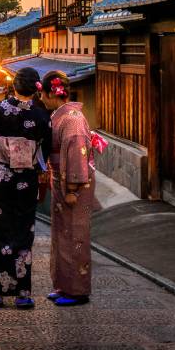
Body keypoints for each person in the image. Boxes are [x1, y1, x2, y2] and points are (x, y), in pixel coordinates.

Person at [0, 67, 52, 309]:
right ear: (36, 88)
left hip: (0, 179)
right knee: (23, 230)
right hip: (26, 180)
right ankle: (23, 293)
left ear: (14, 85)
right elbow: (46, 147)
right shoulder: (42, 114)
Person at [40, 70, 104, 307]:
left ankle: (77, 290)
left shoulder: (72, 119)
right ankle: (64, 284)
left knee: (75, 235)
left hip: (74, 185)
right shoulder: (61, 116)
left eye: (43, 94)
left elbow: (77, 155)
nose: (41, 99)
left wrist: (73, 188)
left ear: (50, 92)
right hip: (61, 180)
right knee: (61, 234)